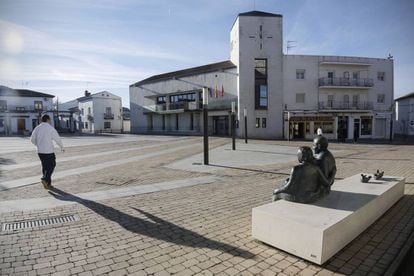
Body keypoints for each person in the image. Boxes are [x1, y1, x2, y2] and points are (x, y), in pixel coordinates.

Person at [30, 114, 64, 189]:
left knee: (45, 166)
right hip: (48, 151)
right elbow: (57, 138)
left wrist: (38, 145)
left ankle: (47, 184)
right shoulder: (50, 128)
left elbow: (32, 139)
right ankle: (44, 179)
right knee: (52, 165)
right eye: (50, 120)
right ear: (48, 120)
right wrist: (61, 146)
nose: (50, 121)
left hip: (40, 152)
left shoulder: (37, 128)